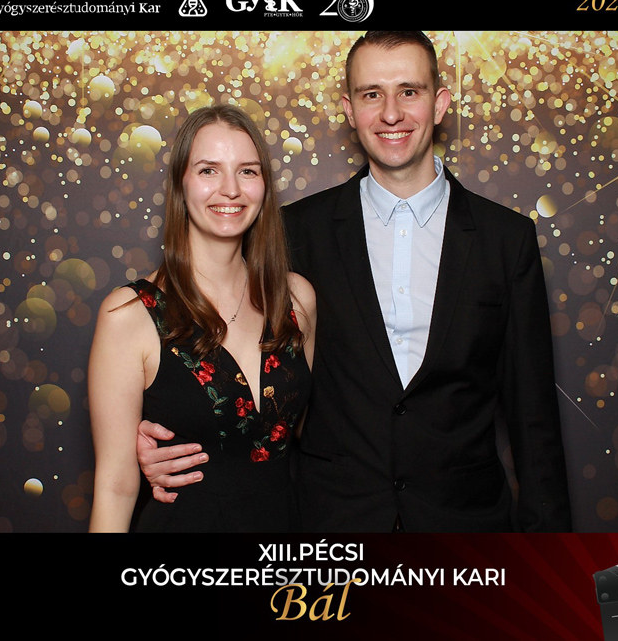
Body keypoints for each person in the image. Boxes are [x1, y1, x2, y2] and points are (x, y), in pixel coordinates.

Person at [138, 31, 571, 532]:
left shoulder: (506, 240)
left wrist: (551, 558)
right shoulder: (291, 233)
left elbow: (535, 422)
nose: (391, 113)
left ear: (440, 103)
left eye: (409, 91)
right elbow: (217, 352)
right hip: (329, 528)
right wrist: (143, 441)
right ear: (349, 109)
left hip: (467, 528)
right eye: (371, 94)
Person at [88, 104, 315, 532]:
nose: (230, 189)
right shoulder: (129, 315)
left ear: (264, 185)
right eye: (209, 170)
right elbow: (115, 488)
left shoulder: (297, 299)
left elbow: (309, 429)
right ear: (181, 184)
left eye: (247, 171)